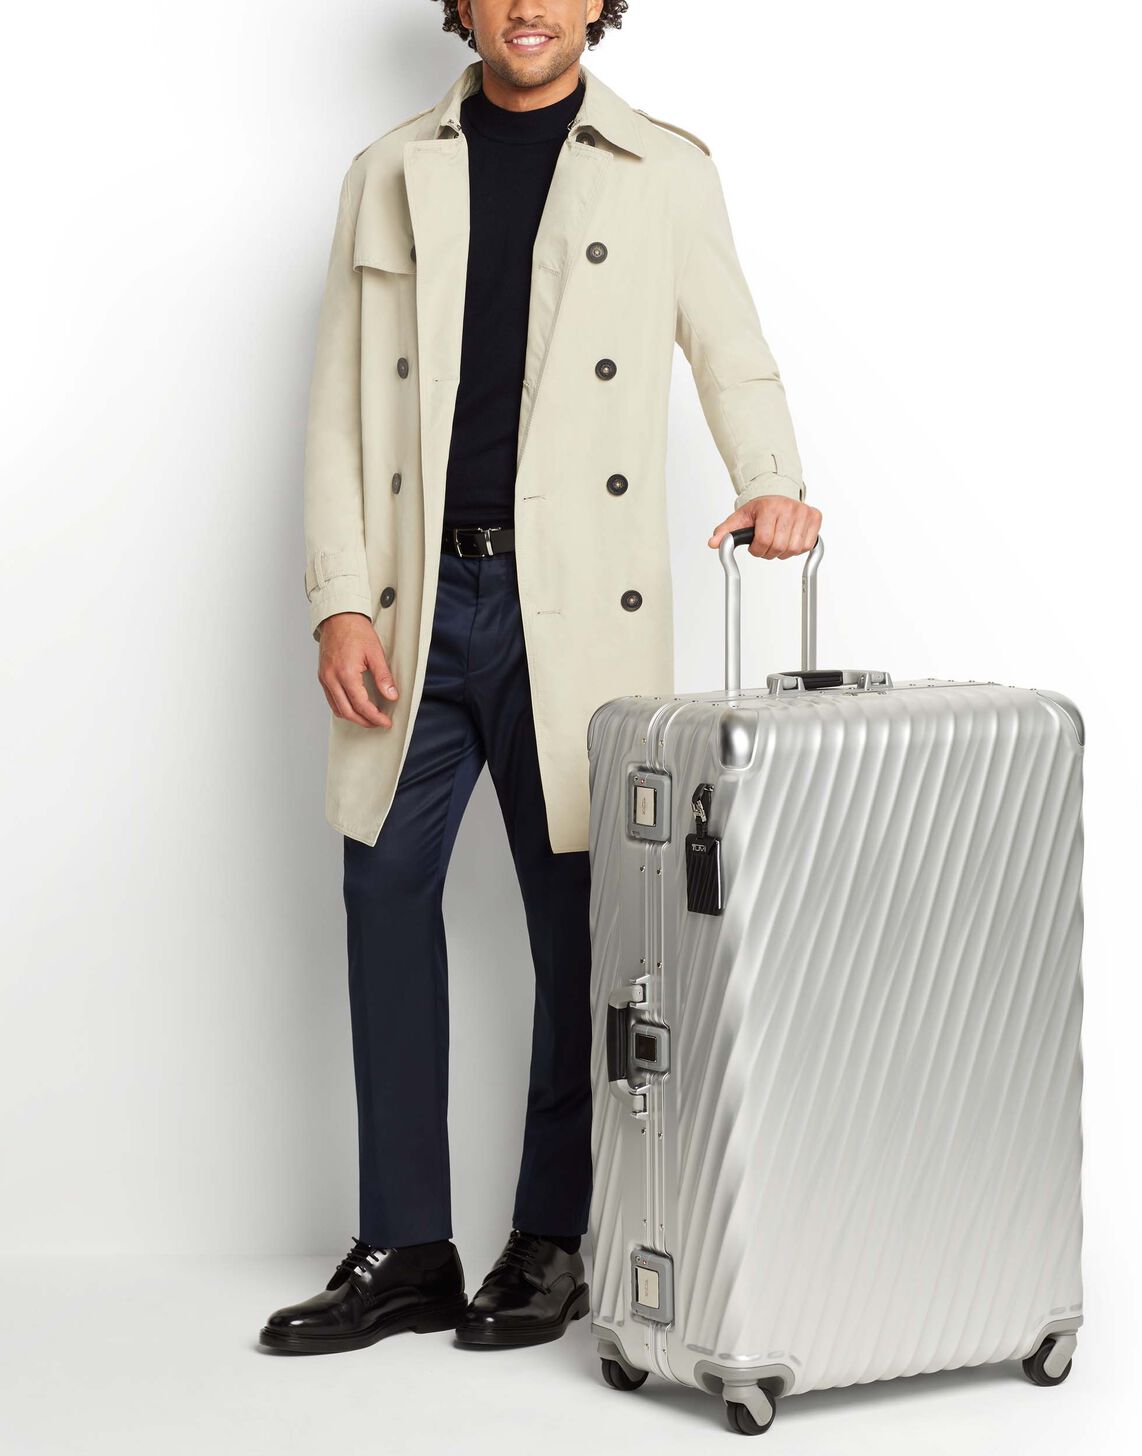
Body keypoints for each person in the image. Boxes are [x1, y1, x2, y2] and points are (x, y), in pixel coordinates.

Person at [260, 0, 821, 1355]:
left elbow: (729, 344)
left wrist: (773, 481)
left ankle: (555, 1238)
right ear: (459, 5)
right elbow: (337, 406)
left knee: (582, 925)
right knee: (383, 893)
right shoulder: (390, 169)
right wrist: (340, 600)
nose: (528, 7)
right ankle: (406, 1246)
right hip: (415, 602)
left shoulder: (663, 168)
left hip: (573, 607)